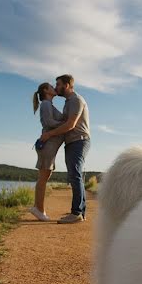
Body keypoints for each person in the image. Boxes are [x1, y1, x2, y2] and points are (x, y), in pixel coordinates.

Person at [40, 74, 91, 224]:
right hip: (72, 142)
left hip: (79, 141)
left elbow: (70, 125)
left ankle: (76, 213)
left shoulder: (76, 100)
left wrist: (48, 134)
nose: (56, 87)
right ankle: (80, 212)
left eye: (58, 84)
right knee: (75, 175)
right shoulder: (69, 102)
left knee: (75, 174)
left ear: (67, 85)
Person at [29, 82, 65, 221]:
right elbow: (48, 123)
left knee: (44, 177)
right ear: (46, 90)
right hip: (47, 145)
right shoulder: (45, 104)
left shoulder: (48, 104)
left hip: (50, 145)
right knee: (43, 178)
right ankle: (39, 210)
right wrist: (67, 123)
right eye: (51, 87)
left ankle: (37, 208)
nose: (54, 88)